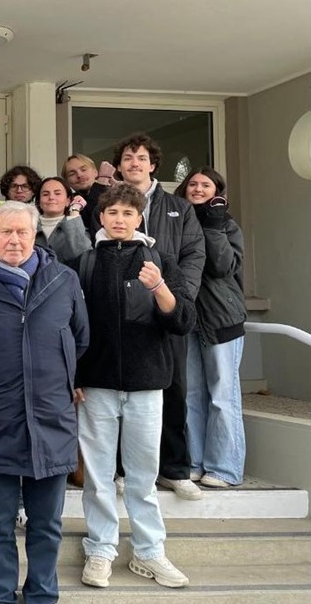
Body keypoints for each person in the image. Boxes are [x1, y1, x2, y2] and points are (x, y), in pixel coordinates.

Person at [0, 201, 88, 604]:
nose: (14, 240)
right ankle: (0, 594)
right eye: (6, 231)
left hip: (50, 418)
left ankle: (43, 594)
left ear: (35, 234)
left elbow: (81, 339)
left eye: (23, 232)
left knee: (46, 523)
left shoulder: (63, 280)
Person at [74, 184, 196, 590]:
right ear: (101, 218)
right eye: (113, 213)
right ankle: (100, 548)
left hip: (147, 384)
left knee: (144, 476)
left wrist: (159, 286)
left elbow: (182, 322)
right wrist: (73, 378)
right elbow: (72, 328)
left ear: (139, 217)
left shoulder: (159, 260)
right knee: (99, 475)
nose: (120, 219)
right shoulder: (84, 264)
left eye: (128, 212)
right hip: (96, 385)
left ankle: (149, 552)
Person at [113, 133, 205, 500]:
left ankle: (174, 469)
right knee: (123, 391)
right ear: (119, 166)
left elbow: (194, 256)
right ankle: (124, 470)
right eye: (127, 158)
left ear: (153, 165)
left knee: (174, 389)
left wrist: (179, 300)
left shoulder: (178, 208)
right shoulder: (107, 204)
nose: (134, 163)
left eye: (141, 158)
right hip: (123, 316)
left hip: (167, 312)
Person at [175, 168, 248, 488]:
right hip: (188, 318)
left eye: (206, 185)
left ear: (218, 191)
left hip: (221, 319)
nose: (198, 188)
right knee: (191, 394)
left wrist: (214, 225)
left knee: (222, 395)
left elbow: (222, 266)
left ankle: (224, 468)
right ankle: (195, 462)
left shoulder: (226, 225)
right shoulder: (177, 222)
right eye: (193, 183)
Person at [34, 176, 92, 265]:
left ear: (68, 201)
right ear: (39, 202)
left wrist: (74, 211)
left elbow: (83, 257)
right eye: (45, 194)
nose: (51, 197)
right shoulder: (29, 227)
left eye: (57, 193)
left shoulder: (78, 228)